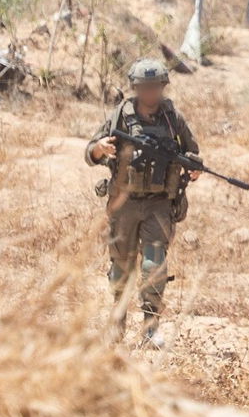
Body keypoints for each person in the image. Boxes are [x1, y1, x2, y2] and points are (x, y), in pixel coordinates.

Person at [85, 58, 200, 346]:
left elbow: (193, 152)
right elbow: (91, 152)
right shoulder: (120, 116)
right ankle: (117, 323)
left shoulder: (173, 118)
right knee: (121, 265)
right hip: (124, 203)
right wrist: (100, 149)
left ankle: (151, 327)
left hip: (159, 204)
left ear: (162, 87)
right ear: (135, 88)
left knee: (154, 264)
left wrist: (195, 166)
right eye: (143, 87)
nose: (150, 92)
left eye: (155, 87)